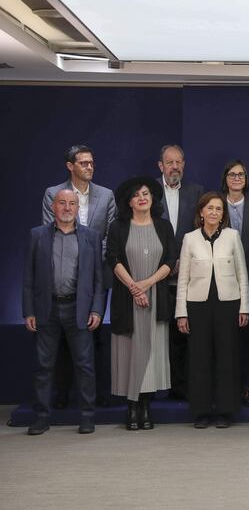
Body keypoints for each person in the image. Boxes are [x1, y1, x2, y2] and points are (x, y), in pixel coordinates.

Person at [24, 189, 104, 435]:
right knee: (43, 367)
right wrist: (28, 311)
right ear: (53, 207)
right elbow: (28, 277)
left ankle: (87, 417)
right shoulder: (37, 235)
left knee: (85, 366)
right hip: (46, 309)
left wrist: (97, 309)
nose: (67, 207)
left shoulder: (91, 237)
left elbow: (98, 279)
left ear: (78, 208)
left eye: (72, 203)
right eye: (62, 203)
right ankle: (41, 417)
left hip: (78, 308)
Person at [42, 145, 116, 408]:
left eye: (92, 163)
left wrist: (90, 260)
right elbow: (49, 233)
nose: (89, 167)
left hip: (96, 275)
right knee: (63, 336)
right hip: (63, 275)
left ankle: (97, 394)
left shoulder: (106, 195)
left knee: (94, 332)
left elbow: (109, 236)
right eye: (83, 163)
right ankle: (62, 393)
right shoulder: (53, 193)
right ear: (70, 166)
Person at [107, 177, 177, 431]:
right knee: (130, 353)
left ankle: (146, 406)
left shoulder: (164, 226)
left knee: (152, 351)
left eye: (146, 193)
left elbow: (170, 260)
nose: (142, 198)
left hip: (156, 298)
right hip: (127, 300)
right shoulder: (118, 227)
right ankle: (131, 407)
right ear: (129, 202)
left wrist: (146, 284)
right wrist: (134, 288)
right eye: (136, 195)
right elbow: (113, 258)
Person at [176, 192, 249, 428]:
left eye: (218, 209)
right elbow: (183, 279)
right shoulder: (190, 239)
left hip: (228, 304)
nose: (214, 212)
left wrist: (245, 307)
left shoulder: (232, 236)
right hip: (197, 305)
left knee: (227, 357)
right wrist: (181, 313)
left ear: (223, 214)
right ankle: (201, 411)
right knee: (199, 358)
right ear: (201, 212)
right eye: (210, 208)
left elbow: (242, 274)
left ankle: (226, 411)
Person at [157, 144, 204, 401]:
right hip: (155, 275)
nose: (175, 167)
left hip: (188, 275)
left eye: (179, 162)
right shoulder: (149, 191)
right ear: (161, 166)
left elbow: (199, 230)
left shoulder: (197, 192)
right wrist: (166, 262)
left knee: (184, 333)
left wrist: (181, 261)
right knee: (157, 333)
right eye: (169, 162)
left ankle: (181, 387)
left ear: (184, 165)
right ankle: (155, 387)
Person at [221, 160, 249, 407]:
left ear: (246, 179)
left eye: (241, 174)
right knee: (226, 339)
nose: (237, 178)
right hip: (222, 283)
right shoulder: (215, 204)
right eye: (232, 174)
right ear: (225, 178)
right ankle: (227, 387)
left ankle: (248, 387)